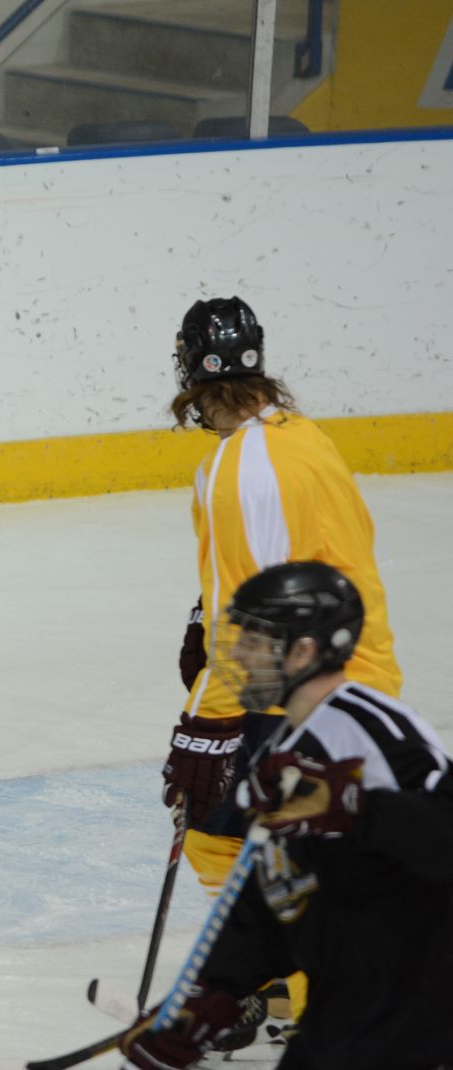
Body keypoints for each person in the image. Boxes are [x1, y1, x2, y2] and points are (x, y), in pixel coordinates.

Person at [157, 296, 403, 1039]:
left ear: (190, 373)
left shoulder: (237, 469)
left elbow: (262, 618)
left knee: (216, 828)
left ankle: (315, 994)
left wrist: (209, 721)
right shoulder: (299, 437)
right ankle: (292, 982)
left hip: (300, 693)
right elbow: (292, 560)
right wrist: (206, 611)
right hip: (352, 677)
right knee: (284, 842)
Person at [120, 561, 453, 1070]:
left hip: (421, 1015)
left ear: (304, 651)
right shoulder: (282, 753)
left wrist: (354, 806)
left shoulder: (369, 729)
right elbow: (279, 892)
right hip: (344, 1015)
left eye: (254, 642)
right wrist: (212, 995)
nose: (237, 656)